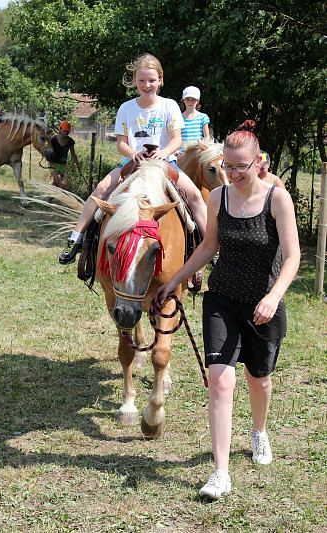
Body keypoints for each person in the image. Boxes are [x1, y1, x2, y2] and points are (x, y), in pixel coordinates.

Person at [158, 120, 300, 500]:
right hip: (221, 300)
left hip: (262, 307)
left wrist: (273, 297)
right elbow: (208, 246)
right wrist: (176, 278)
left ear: (259, 163)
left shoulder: (277, 199)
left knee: (259, 379)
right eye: (229, 165)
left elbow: (292, 257)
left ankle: (258, 432)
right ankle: (220, 472)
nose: (234, 173)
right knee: (220, 379)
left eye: (242, 166)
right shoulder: (218, 197)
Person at [59, 54, 208, 265]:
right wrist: (133, 154)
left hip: (164, 164)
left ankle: (212, 246)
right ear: (134, 81)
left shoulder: (170, 106)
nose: (147, 85)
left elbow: (176, 140)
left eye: (151, 80)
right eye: (141, 80)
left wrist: (164, 153)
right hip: (132, 164)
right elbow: (121, 143)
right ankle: (76, 238)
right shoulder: (126, 108)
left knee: (194, 196)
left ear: (160, 80)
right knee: (100, 190)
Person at [177, 86, 210, 155]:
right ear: (183, 100)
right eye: (188, 99)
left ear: (198, 101)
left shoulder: (203, 117)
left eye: (193, 99)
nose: (190, 102)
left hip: (197, 153)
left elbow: (207, 136)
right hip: (182, 154)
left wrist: (203, 148)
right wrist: (175, 150)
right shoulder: (178, 117)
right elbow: (176, 136)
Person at [49, 121, 81, 190]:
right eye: (64, 131)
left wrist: (78, 165)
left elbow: (73, 154)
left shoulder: (70, 141)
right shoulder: (53, 140)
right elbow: (48, 153)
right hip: (53, 165)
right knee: (62, 184)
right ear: (60, 130)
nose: (66, 133)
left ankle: (49, 200)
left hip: (63, 166)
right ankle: (63, 201)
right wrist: (50, 163)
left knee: (55, 184)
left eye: (67, 131)